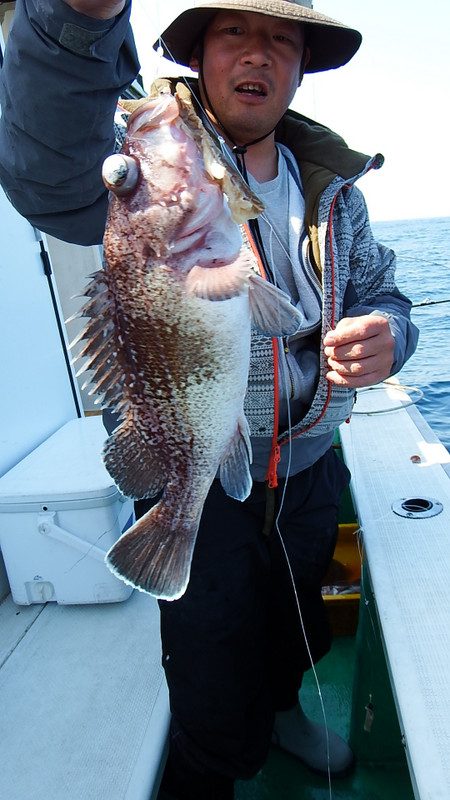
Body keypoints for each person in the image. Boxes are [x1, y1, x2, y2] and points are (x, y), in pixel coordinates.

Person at [0, 1, 419, 799]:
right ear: (200, 53)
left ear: (300, 68)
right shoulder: (145, 159)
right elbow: (44, 166)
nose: (259, 56)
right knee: (210, 656)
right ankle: (215, 760)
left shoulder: (336, 190)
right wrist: (76, 20)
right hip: (198, 469)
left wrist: (390, 336)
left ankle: (284, 710)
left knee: (295, 615)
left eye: (282, 41)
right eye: (236, 34)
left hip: (305, 468)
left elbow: (386, 292)